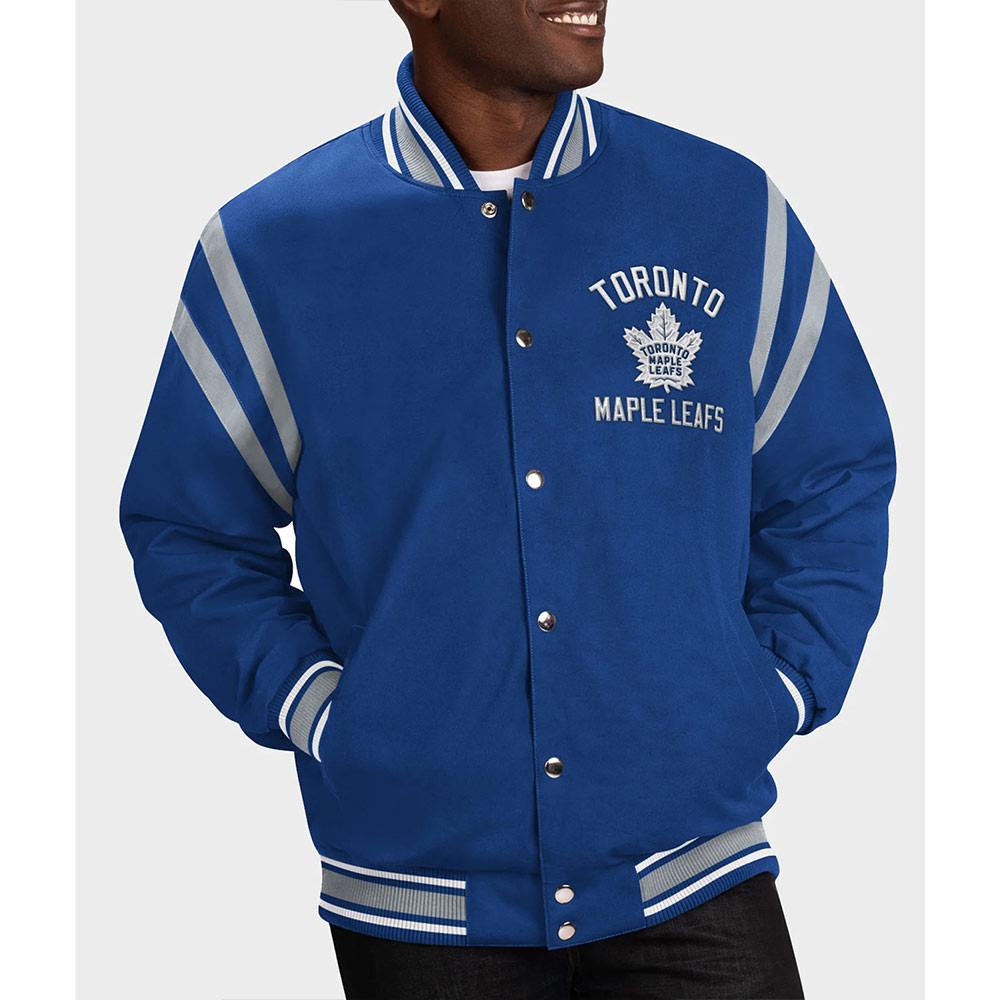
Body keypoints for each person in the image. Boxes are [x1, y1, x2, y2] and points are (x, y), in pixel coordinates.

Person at [119, 1, 895, 996]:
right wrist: (319, 709)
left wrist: (778, 684)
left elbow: (831, 472)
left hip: (692, 864)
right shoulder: (272, 245)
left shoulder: (725, 208)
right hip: (422, 898)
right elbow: (190, 526)